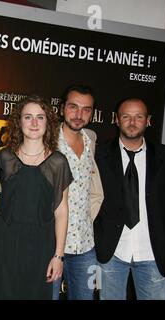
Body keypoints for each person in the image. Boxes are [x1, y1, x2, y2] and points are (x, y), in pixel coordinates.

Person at [0, 95, 72, 300]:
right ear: (19, 122)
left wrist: (58, 256)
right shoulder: (3, 158)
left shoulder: (58, 162)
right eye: (28, 117)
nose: (34, 123)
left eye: (40, 117)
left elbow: (61, 212)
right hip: (4, 242)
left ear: (48, 123)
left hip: (41, 245)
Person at [94, 97, 165, 300]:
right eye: (126, 116)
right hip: (111, 253)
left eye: (139, 117)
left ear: (148, 120)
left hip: (154, 254)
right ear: (116, 120)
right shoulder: (98, 155)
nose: (132, 122)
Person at [58, 85, 103, 300]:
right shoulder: (45, 141)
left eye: (86, 109)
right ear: (61, 108)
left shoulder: (91, 139)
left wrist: (87, 219)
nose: (79, 115)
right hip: (50, 245)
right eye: (73, 107)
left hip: (85, 246)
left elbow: (94, 192)